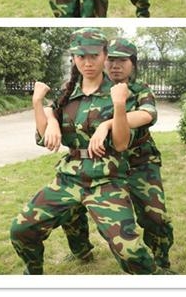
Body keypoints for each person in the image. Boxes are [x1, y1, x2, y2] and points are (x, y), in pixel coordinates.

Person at [10, 28, 162, 275]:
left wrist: (117, 108)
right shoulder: (67, 91)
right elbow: (45, 138)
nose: (88, 63)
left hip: (106, 179)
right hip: (69, 178)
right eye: (81, 56)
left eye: (94, 56)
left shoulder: (120, 92)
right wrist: (41, 108)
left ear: (104, 56)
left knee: (130, 251)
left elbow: (121, 144)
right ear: (74, 58)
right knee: (21, 230)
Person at [57, 37, 174, 270]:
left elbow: (147, 114)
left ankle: (160, 260)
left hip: (139, 162)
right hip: (102, 165)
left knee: (155, 216)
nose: (115, 66)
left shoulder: (139, 90)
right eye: (111, 60)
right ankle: (81, 250)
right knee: (70, 208)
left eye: (122, 61)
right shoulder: (91, 88)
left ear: (133, 63)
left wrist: (107, 124)